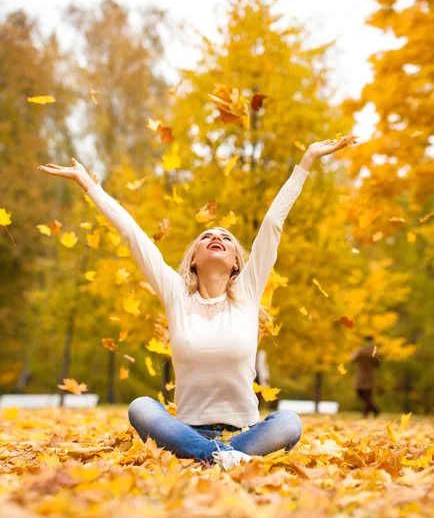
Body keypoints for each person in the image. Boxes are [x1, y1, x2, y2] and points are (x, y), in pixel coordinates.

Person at [37, 135, 356, 470]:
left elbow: (273, 224)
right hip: (186, 430)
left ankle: (214, 455)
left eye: (225, 238)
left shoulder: (248, 291)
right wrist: (89, 184)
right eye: (207, 236)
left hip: (246, 434)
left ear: (236, 261)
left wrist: (306, 161)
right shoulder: (176, 294)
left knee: (289, 421)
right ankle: (220, 457)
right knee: (141, 408)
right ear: (193, 260)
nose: (216, 237)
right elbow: (133, 235)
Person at [350, 335, 381, 418]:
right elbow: (378, 364)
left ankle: (373, 410)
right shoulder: (375, 352)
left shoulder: (361, 350)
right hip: (371, 375)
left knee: (362, 394)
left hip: (361, 374)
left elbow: (352, 359)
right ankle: (369, 411)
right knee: (367, 395)